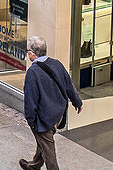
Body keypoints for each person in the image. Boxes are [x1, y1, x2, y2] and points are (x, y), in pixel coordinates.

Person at [21, 36, 83, 170]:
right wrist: (77, 102)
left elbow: (30, 100)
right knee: (44, 141)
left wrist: (31, 121)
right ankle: (34, 165)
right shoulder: (57, 64)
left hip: (44, 117)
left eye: (28, 51)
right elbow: (68, 85)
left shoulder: (33, 72)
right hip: (58, 113)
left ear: (32, 53)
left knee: (48, 150)